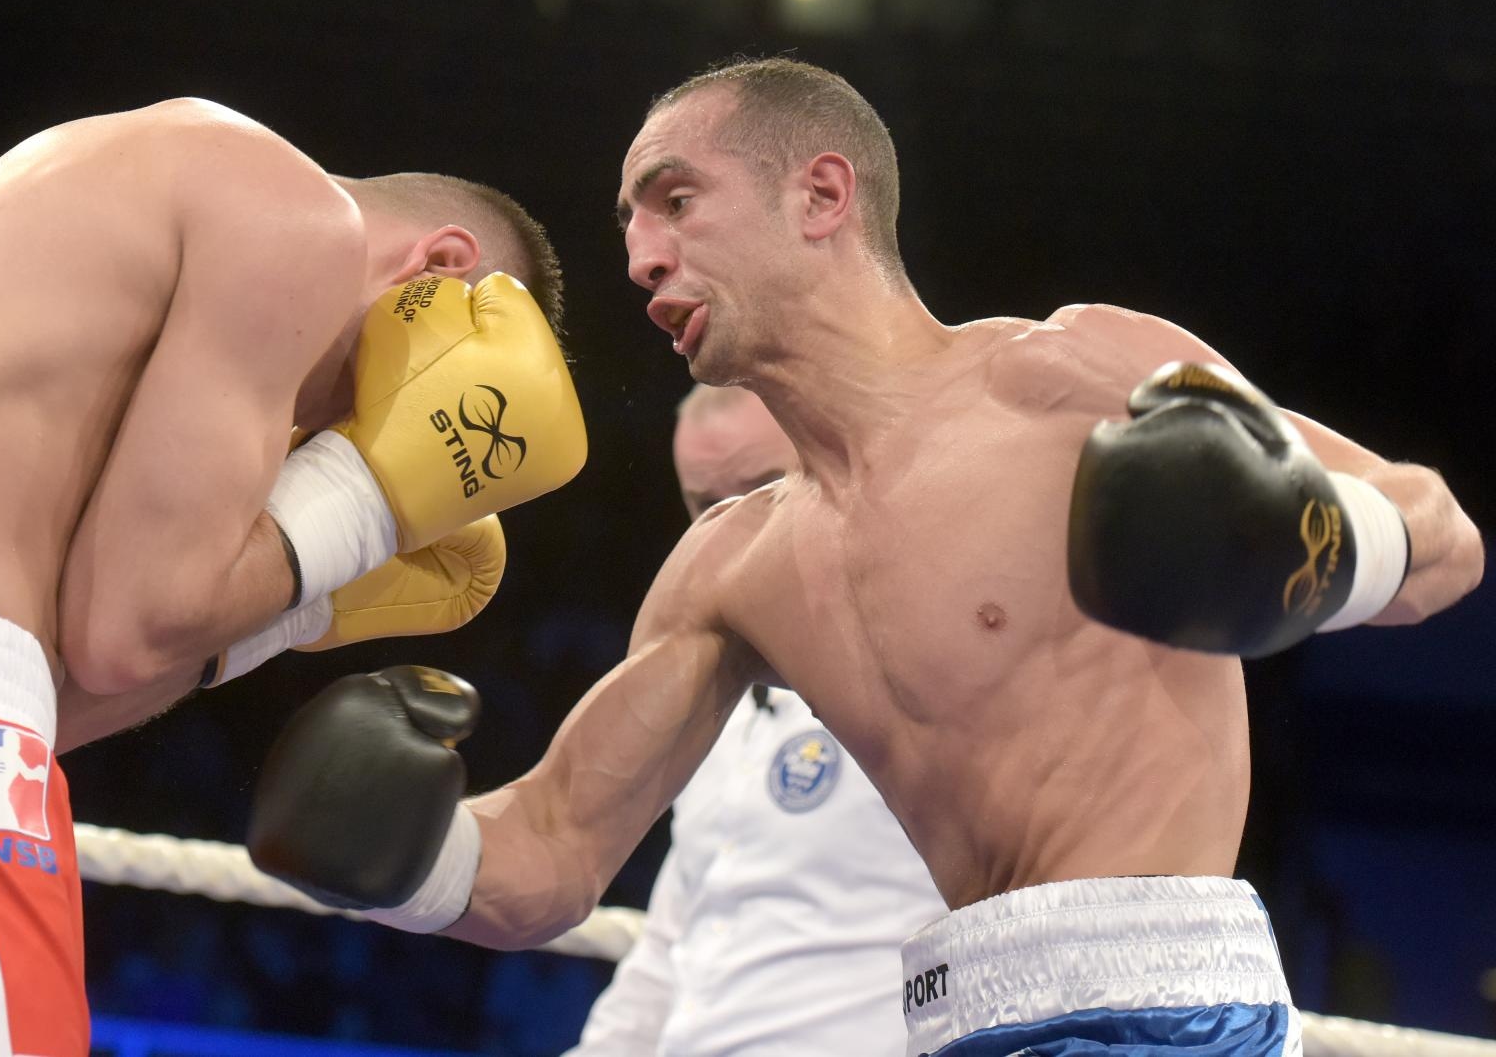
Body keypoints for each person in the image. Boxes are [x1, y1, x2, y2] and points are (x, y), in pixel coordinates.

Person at [249, 59, 1484, 1055]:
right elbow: (549, 860)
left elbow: (1438, 537)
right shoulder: (730, 566)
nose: (639, 258)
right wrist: (399, 855)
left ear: (822, 196)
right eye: (627, 223)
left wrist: (1308, 545)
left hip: (1166, 1002)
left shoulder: (1068, 377)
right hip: (958, 1018)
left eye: (674, 200)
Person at [0, 96, 585, 1056]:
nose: (323, 430)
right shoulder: (294, 216)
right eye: (360, 405)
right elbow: (131, 631)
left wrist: (292, 610)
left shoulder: (104, 230)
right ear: (440, 268)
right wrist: (367, 499)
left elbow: (64, 686)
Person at [566, 384, 947, 1056]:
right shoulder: (707, 702)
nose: (734, 534)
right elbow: (673, 944)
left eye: (765, 489)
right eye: (707, 508)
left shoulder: (935, 677)